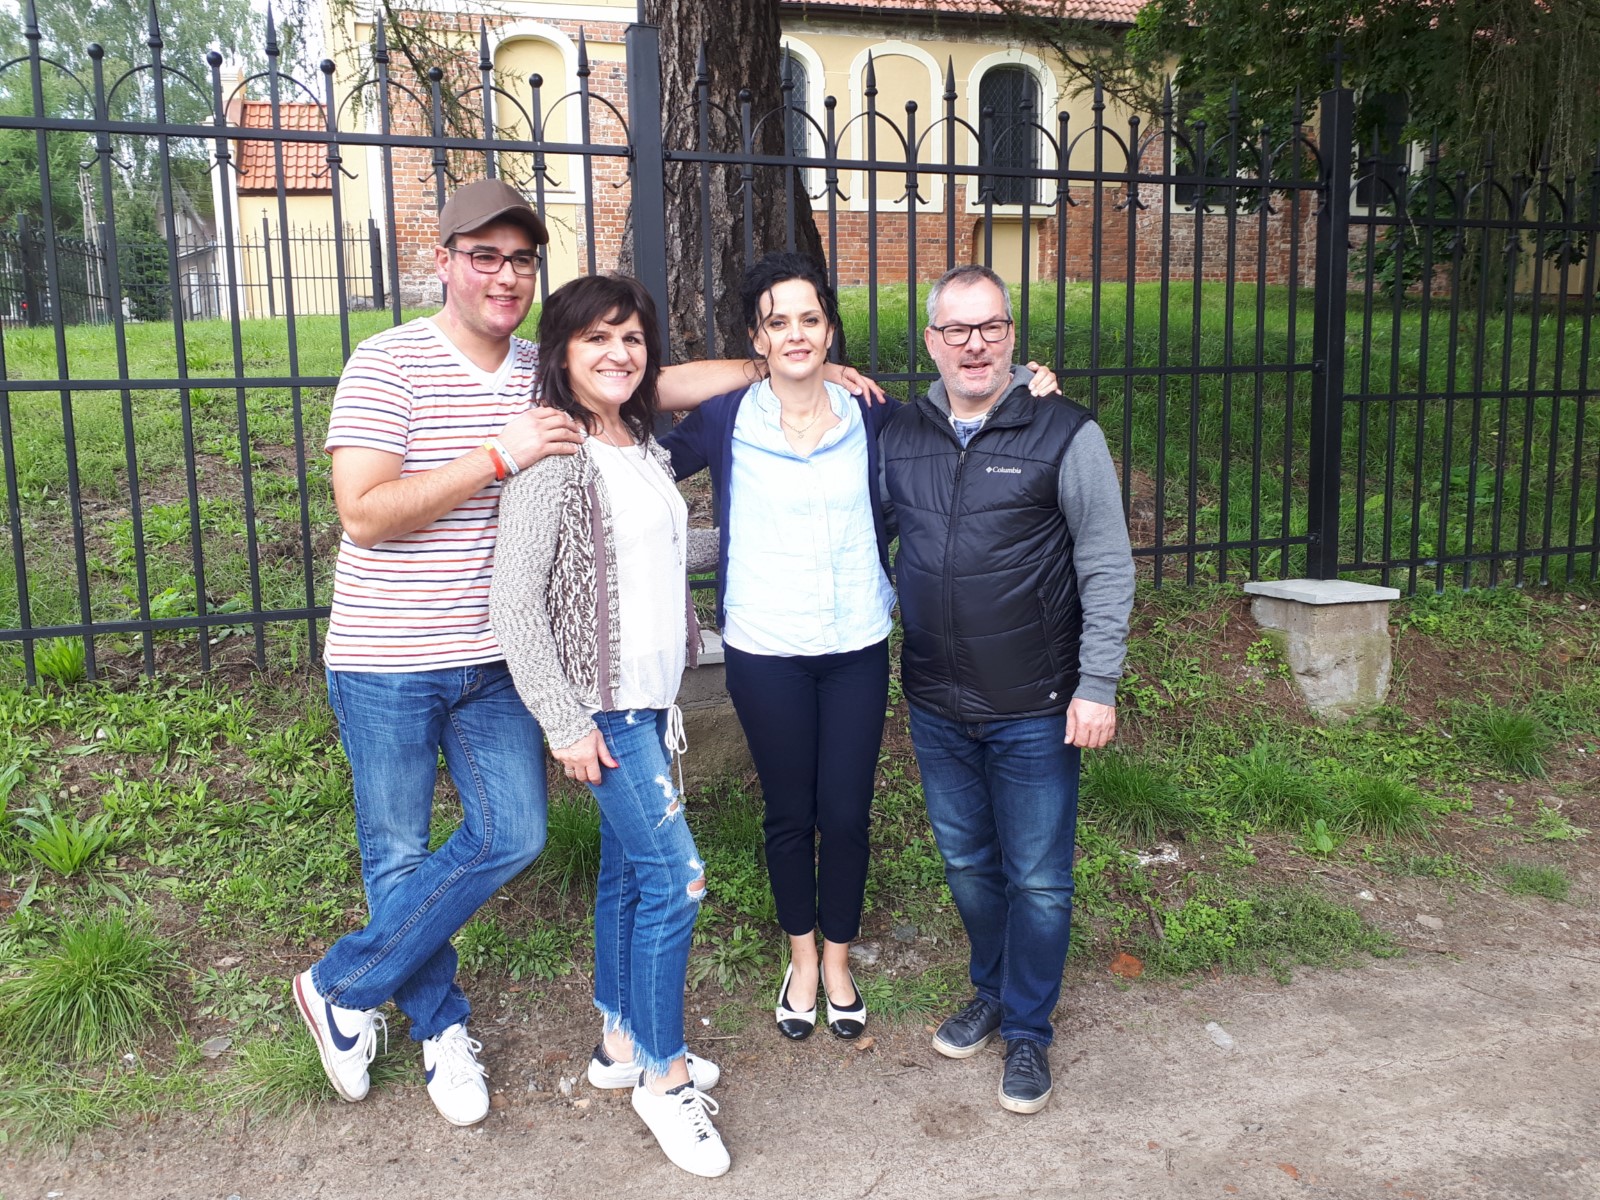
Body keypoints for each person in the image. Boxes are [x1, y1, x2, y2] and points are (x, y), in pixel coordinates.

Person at [295, 179, 877, 1129]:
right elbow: (362, 514)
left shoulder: (551, 371)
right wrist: (499, 455)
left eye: (520, 259)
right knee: (405, 854)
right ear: (442, 261)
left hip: (503, 662)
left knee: (517, 837)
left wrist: (790, 360)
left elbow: (653, 384)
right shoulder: (392, 362)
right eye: (484, 256)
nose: (504, 274)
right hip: (394, 653)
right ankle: (415, 1014)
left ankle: (617, 1042)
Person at [663, 253, 1061, 1045]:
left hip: (854, 645)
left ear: (831, 328)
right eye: (778, 322)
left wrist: (1027, 385)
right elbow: (641, 408)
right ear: (757, 337)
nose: (797, 334)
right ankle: (801, 960)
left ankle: (839, 960)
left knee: (845, 814)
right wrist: (755, 367)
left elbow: (963, 419)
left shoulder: (873, 415)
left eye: (811, 319)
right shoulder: (727, 417)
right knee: (789, 813)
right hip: (764, 650)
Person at [879, 263, 1134, 1116]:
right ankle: (991, 988)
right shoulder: (900, 436)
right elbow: (856, 536)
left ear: (1012, 337)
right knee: (967, 865)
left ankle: (1028, 1029)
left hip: (1036, 705)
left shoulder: (1065, 432)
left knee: (1039, 879)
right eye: (956, 329)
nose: (974, 345)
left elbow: (1106, 563)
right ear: (931, 342)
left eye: (990, 327)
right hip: (937, 703)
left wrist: (1097, 684)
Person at [488, 274, 727, 1178]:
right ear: (561, 352)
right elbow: (515, 604)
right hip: (605, 710)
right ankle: (666, 1080)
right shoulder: (557, 453)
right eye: (597, 339)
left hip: (653, 703)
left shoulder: (641, 443)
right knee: (677, 882)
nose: (618, 353)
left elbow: (654, 554)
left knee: (631, 876)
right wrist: (563, 721)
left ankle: (622, 1044)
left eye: (631, 337)